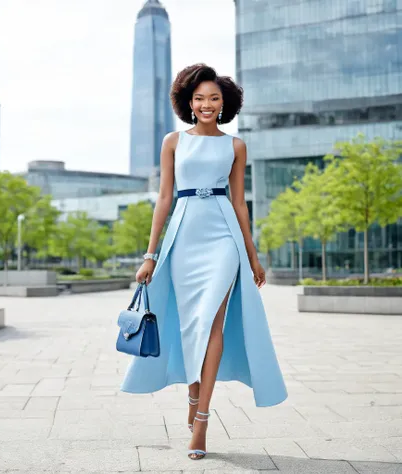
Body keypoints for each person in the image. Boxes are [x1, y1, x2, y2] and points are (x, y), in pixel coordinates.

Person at [120, 64, 287, 460]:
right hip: (184, 235)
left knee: (213, 323)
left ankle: (203, 422)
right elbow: (164, 198)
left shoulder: (236, 146)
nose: (207, 104)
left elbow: (239, 203)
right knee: (189, 324)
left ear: (224, 103)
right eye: (199, 98)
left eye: (214, 98)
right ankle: (193, 394)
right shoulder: (173, 141)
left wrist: (252, 254)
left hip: (223, 237)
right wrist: (150, 254)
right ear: (188, 103)